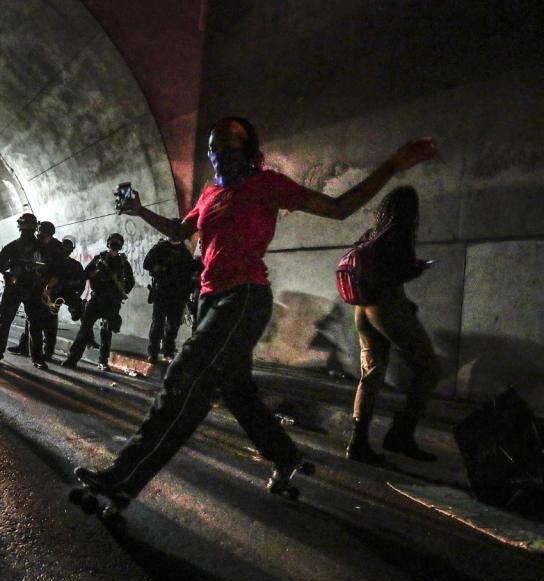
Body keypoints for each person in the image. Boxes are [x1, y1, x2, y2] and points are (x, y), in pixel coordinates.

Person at [73, 116, 437, 502]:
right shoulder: (210, 193)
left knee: (185, 376)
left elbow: (339, 208)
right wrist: (140, 211)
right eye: (213, 147)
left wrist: (392, 166)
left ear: (248, 148)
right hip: (211, 298)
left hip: (244, 297)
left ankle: (123, 478)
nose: (219, 153)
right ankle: (287, 457)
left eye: (229, 144)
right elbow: (181, 232)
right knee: (237, 391)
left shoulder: (267, 185)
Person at [348, 186, 440, 464]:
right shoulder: (399, 233)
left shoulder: (371, 235)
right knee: (429, 369)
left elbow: (376, 272)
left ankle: (358, 443)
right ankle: (401, 434)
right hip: (385, 307)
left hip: (362, 309)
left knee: (372, 373)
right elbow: (397, 273)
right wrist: (418, 268)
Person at [0, 213, 60, 370]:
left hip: (33, 289)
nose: (26, 230)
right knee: (7, 322)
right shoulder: (15, 247)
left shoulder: (38, 248)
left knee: (33, 325)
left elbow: (50, 268)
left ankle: (34, 357)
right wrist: (11, 274)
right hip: (16, 288)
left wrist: (43, 281)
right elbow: (0, 264)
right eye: (25, 227)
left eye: (29, 227)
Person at [61, 233, 134, 371]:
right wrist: (96, 273)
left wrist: (120, 293)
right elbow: (85, 274)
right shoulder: (98, 259)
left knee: (106, 331)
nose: (114, 246)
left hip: (112, 301)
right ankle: (72, 359)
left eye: (117, 243)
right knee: (85, 329)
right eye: (113, 242)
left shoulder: (123, 263)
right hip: (96, 299)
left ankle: (103, 361)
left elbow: (130, 282)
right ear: (108, 243)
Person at [8, 221, 77, 361]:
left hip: (51, 291)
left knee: (49, 322)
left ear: (50, 235)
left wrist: (50, 288)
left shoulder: (57, 249)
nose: (41, 236)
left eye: (44, 234)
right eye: (39, 233)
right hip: (33, 289)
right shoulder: (32, 243)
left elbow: (60, 272)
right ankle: (31, 351)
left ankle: (47, 352)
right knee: (32, 322)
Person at [143, 236, 200, 364]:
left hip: (178, 293)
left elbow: (190, 270)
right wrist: (161, 268)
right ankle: (153, 352)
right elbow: (147, 264)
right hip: (162, 291)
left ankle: (168, 351)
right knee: (158, 323)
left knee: (173, 325)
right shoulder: (160, 247)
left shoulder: (184, 250)